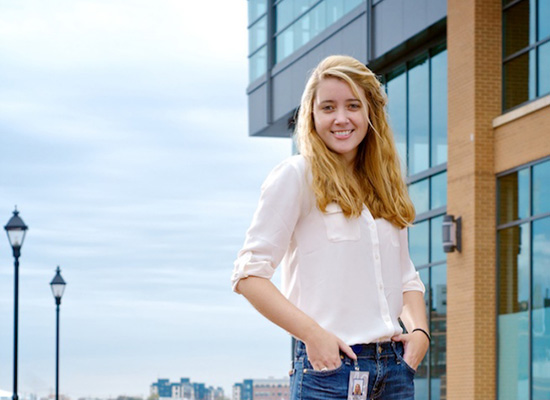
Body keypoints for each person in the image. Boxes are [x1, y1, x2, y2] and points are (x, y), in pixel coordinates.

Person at [231, 55, 429, 400]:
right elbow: (248, 276)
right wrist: (313, 335)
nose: (341, 118)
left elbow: (405, 277)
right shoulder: (296, 176)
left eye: (353, 105)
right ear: (312, 115)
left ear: (371, 113)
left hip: (395, 370)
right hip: (329, 371)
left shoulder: (385, 186)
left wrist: (421, 333)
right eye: (328, 107)